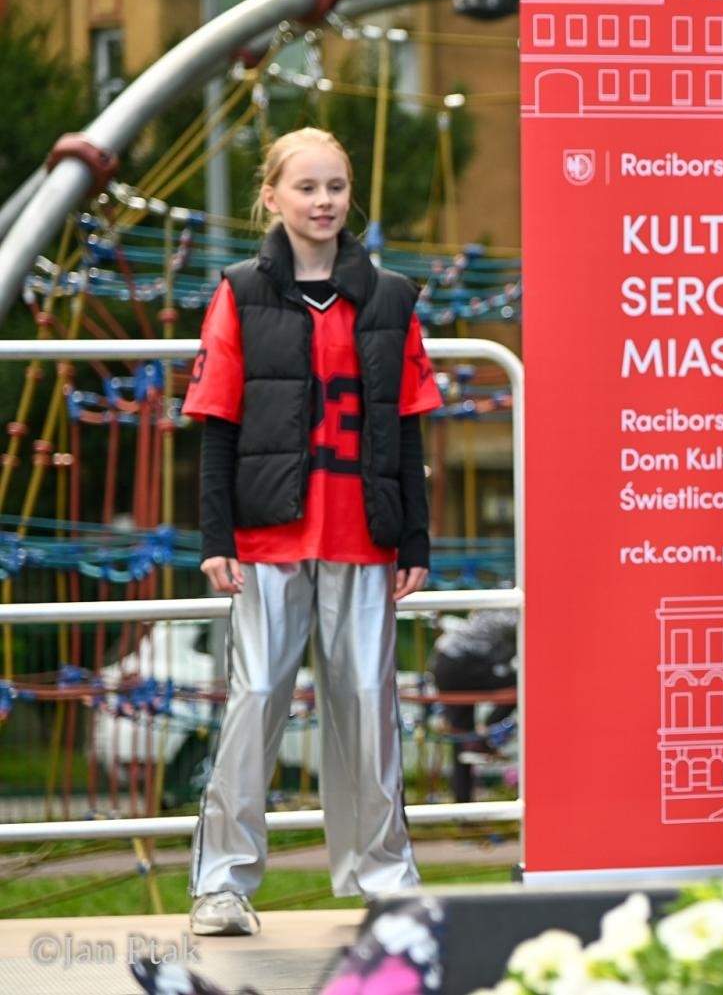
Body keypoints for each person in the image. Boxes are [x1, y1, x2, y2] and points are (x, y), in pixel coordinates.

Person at [183, 127, 442, 935]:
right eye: (306, 187)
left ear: (349, 194)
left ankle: (386, 876)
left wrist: (416, 542)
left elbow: (407, 430)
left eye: (335, 186)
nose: (323, 200)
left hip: (365, 536)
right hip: (266, 539)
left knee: (368, 702)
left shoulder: (393, 297)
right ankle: (222, 884)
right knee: (255, 698)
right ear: (272, 197)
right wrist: (214, 536)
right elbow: (217, 423)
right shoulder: (238, 291)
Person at [427, 609, 518, 804]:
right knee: (519, 685)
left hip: (445, 663)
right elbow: (520, 625)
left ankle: (462, 806)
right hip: (461, 664)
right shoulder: (509, 609)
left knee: (463, 738)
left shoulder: (487, 608)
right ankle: (484, 735)